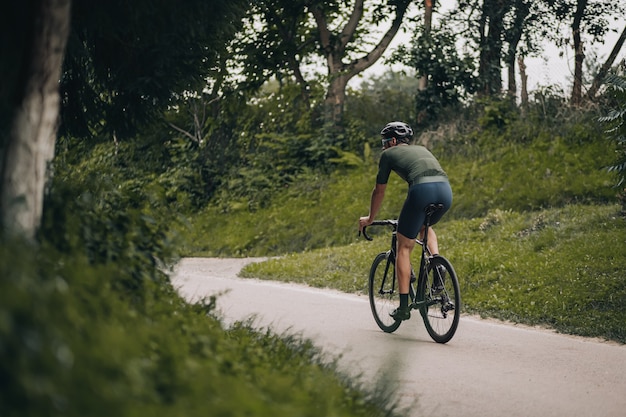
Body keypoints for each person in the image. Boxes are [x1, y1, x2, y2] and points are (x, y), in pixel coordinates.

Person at [358, 121, 452, 321]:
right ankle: (437, 263)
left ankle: (403, 308)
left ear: (392, 141)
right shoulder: (422, 149)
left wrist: (370, 218)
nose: (383, 146)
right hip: (445, 191)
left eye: (384, 142)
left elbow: (379, 191)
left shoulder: (387, 155)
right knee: (425, 226)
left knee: (403, 247)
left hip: (421, 191)